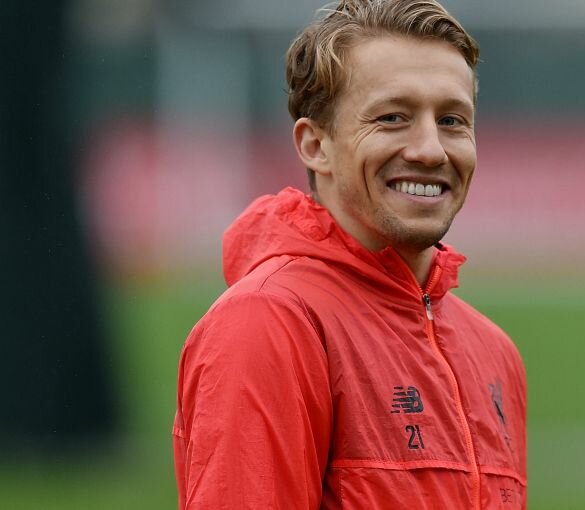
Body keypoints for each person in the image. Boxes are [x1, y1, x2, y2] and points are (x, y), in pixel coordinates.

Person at [172, 1, 527, 508]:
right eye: (393, 117)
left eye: (451, 120)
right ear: (315, 145)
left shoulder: (494, 352)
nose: (431, 149)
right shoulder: (268, 323)